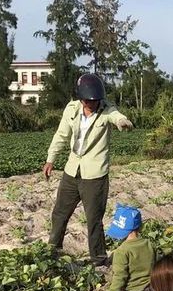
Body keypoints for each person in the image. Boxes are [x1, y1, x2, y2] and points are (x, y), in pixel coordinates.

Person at [43, 74, 132, 267]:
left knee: (93, 219)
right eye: (89, 101)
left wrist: (122, 122)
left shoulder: (106, 109)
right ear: (81, 98)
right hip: (72, 170)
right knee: (59, 213)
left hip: (95, 175)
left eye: (95, 100)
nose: (92, 104)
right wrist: (51, 159)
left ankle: (98, 259)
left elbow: (116, 116)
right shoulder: (71, 109)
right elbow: (61, 135)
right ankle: (52, 251)